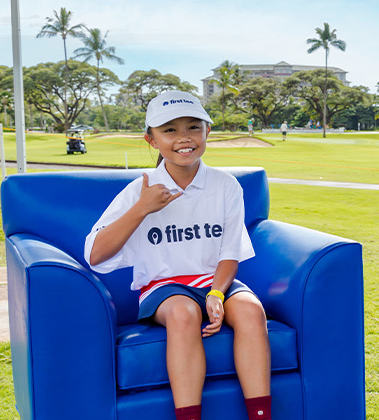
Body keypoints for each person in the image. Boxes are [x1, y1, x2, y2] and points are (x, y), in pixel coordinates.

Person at [84, 91, 273, 420]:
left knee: (251, 311)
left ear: (207, 132)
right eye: (169, 130)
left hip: (214, 281)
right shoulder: (140, 189)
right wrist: (142, 209)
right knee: (184, 314)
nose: (184, 138)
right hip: (164, 287)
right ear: (151, 140)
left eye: (193, 127)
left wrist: (216, 292)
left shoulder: (226, 185)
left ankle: (260, 415)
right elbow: (96, 255)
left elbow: (230, 252)